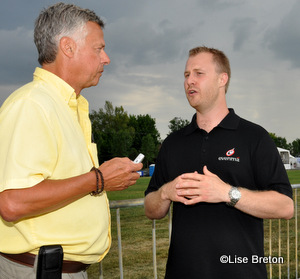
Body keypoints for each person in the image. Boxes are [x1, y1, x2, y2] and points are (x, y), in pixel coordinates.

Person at [0, 3, 142, 279]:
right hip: (37, 271)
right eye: (98, 48)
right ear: (68, 47)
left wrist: (102, 180)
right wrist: (99, 180)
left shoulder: (69, 106)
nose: (106, 58)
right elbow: (12, 203)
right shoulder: (32, 104)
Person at [144, 46, 294, 279]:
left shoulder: (254, 137)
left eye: (198, 73)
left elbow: (285, 207)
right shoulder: (173, 143)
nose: (189, 81)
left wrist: (227, 193)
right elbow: (150, 209)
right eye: (186, 75)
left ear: (222, 79)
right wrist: (164, 192)